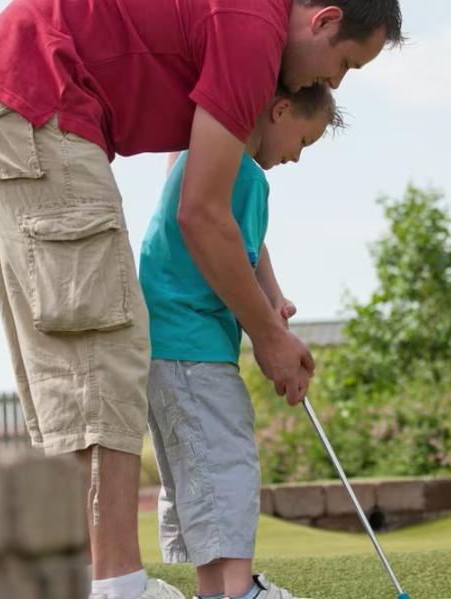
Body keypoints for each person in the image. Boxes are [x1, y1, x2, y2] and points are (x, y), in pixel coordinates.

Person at [0, 1, 403, 598]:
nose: (334, 83)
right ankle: (117, 589)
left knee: (70, 362)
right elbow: (200, 213)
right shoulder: (254, 31)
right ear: (323, 19)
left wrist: (266, 302)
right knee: (103, 352)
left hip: (3, 99)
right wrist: (268, 337)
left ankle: (90, 581)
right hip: (38, 100)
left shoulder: (243, 33)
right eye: (344, 63)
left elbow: (203, 192)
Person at [140, 82, 342, 599]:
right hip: (195, 346)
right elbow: (228, 251)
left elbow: (243, 247)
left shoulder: (207, 159)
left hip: (165, 344)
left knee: (199, 469)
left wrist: (271, 297)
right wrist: (272, 337)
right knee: (226, 461)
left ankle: (219, 591)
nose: (296, 157)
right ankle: (239, 592)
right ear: (279, 110)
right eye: (303, 140)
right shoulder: (249, 176)